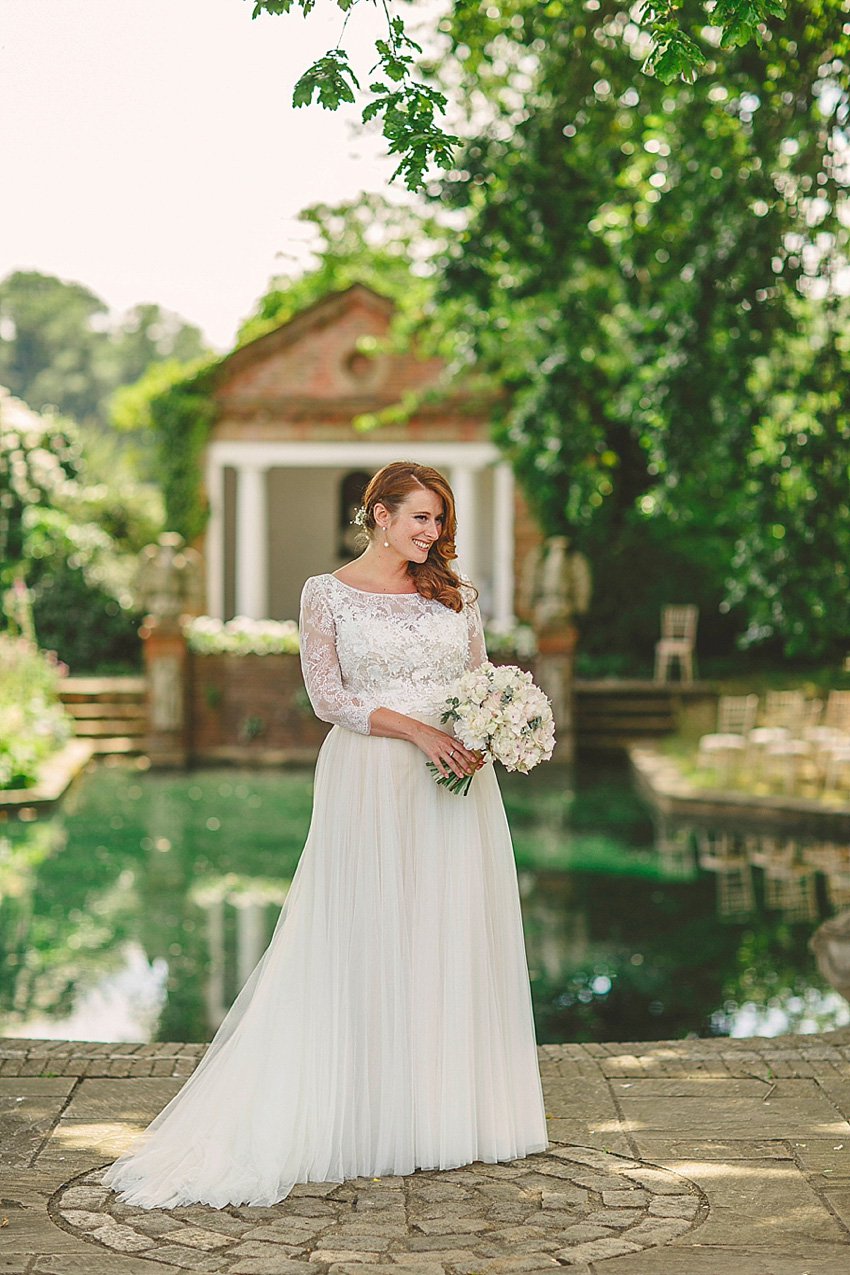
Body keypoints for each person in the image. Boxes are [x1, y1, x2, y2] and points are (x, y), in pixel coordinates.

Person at [103, 461, 548, 1209]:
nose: (431, 533)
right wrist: (413, 730)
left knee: (446, 933)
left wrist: (487, 730)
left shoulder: (455, 595)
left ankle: (445, 1113)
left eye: (439, 520)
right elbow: (328, 696)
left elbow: (479, 681)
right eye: (418, 517)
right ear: (376, 514)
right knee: (368, 935)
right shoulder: (327, 593)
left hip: (456, 784)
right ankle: (363, 1112)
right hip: (371, 777)